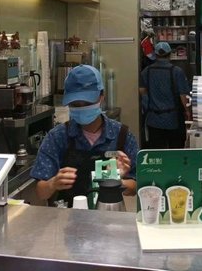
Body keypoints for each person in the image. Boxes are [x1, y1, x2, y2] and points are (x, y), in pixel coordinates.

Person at [31, 65, 139, 206]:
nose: (82, 108)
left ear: (101, 97)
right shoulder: (57, 137)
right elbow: (40, 192)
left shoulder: (122, 135)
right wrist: (52, 183)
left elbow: (136, 187)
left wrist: (116, 181)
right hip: (67, 214)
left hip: (109, 213)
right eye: (76, 104)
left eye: (87, 102)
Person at [139, 42, 191, 149]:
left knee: (157, 153)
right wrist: (188, 111)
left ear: (155, 55)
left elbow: (142, 90)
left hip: (153, 120)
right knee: (175, 153)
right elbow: (183, 95)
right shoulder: (177, 72)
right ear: (170, 54)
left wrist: (147, 103)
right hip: (173, 120)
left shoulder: (146, 71)